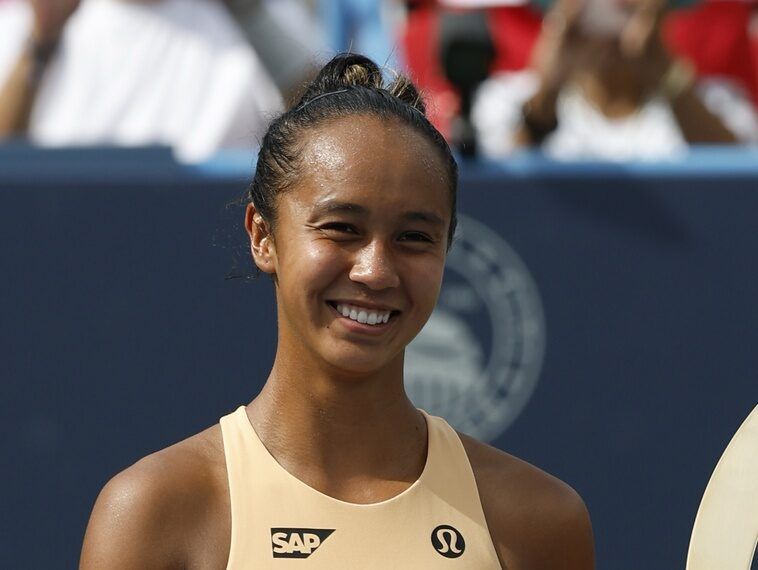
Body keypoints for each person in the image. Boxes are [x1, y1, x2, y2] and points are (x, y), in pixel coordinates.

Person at [79, 53, 595, 569]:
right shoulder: (154, 512)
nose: (375, 270)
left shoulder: (536, 520)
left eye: (413, 238)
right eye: (341, 228)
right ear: (262, 235)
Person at [472, 0, 758, 160]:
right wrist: (551, 82)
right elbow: (504, 182)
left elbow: (737, 186)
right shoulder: (504, 100)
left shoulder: (719, 100)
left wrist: (663, 70)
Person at [0, 0, 282, 162]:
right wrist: (40, 44)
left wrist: (250, 14)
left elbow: (315, 118)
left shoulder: (252, 20)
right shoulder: (28, 24)